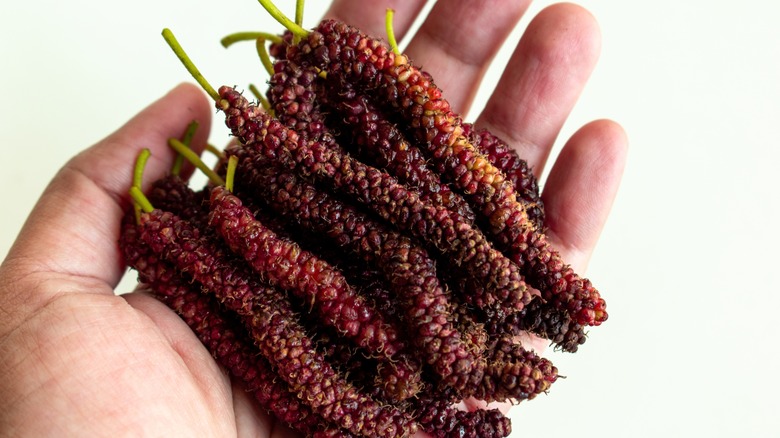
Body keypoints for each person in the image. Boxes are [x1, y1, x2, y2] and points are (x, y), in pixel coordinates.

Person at [0, 1, 627, 436]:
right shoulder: (221, 215)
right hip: (264, 214)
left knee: (403, 217)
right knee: (367, 233)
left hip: (338, 186)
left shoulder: (325, 122)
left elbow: (408, 225)